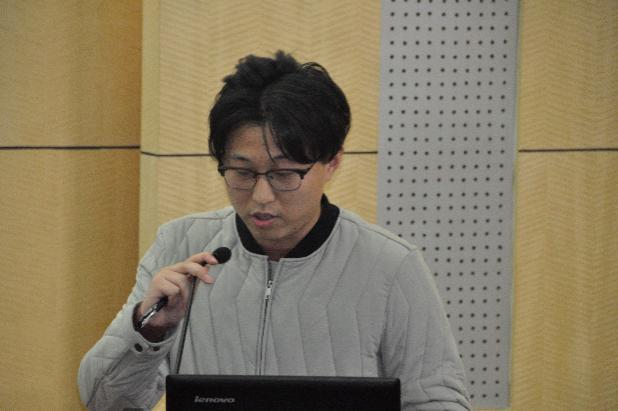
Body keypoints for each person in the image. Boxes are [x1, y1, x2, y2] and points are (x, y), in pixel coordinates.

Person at [78, 51, 471, 410]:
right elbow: (101, 402)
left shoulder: (391, 265)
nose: (261, 196)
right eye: (242, 172)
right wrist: (149, 328)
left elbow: (438, 402)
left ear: (332, 163)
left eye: (284, 174)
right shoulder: (180, 245)